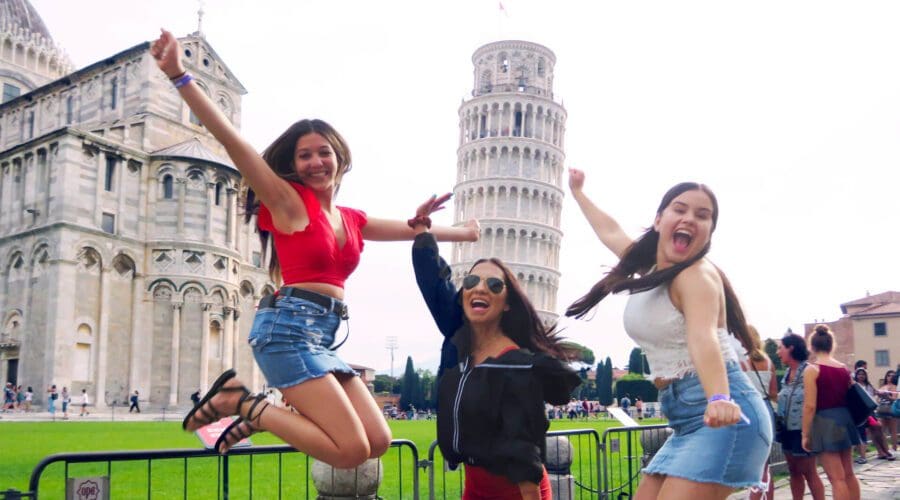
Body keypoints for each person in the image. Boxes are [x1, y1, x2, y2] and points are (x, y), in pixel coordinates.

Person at [150, 30, 477, 466]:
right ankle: (245, 404)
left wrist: (464, 233)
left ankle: (264, 410)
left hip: (323, 335)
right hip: (286, 332)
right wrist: (178, 75)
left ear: (339, 157)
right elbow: (235, 143)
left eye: (323, 152)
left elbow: (412, 229)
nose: (315, 162)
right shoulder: (288, 202)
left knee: (377, 441)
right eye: (304, 156)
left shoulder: (351, 218)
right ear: (293, 165)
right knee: (349, 451)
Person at [565, 170, 772, 499]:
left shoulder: (696, 276)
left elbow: (702, 338)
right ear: (659, 220)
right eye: (680, 209)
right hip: (688, 418)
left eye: (703, 216)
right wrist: (578, 193)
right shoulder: (650, 269)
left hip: (724, 414)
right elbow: (610, 231)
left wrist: (720, 398)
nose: (690, 218)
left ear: (708, 233)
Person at [411, 221, 580, 500]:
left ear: (508, 302)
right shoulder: (459, 346)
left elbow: (523, 450)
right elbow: (435, 287)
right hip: (475, 488)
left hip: (517, 491)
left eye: (494, 284)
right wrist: (422, 234)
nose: (480, 288)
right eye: (471, 281)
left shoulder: (516, 365)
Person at [801, 324, 861, 500]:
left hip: (825, 421)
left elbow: (810, 406)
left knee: (836, 479)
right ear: (831, 345)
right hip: (845, 418)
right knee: (849, 474)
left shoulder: (812, 370)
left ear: (812, 346)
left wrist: (805, 434)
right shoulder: (843, 368)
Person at [776, 333, 825, 500]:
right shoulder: (786, 374)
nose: (777, 352)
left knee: (809, 472)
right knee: (793, 471)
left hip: (804, 429)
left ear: (791, 348)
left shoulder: (809, 371)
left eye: (780, 347)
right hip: (787, 430)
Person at [739, 325, 778, 500]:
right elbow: (773, 393)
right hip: (766, 409)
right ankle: (769, 497)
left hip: (748, 408)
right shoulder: (769, 362)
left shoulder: (740, 362)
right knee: (765, 462)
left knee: (754, 463)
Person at [852, 368, 894, 462]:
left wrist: (883, 394)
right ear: (856, 375)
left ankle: (885, 451)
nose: (861, 376)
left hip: (870, 413)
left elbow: (877, 393)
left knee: (878, 429)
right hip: (860, 413)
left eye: (863, 374)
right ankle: (863, 456)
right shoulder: (854, 386)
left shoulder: (869, 385)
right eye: (859, 374)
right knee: (862, 433)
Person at [878, 370, 898, 452]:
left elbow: (895, 398)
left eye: (892, 375)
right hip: (882, 408)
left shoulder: (895, 387)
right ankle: (885, 448)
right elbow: (878, 399)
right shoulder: (882, 387)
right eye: (889, 375)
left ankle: (894, 447)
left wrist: (887, 396)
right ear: (886, 376)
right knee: (882, 430)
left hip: (891, 408)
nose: (890, 377)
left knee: (892, 429)